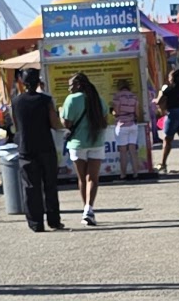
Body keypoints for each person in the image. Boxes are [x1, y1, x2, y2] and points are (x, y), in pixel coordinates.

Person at [10, 68, 65, 232]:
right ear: (38, 81)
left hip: (26, 148)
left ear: (23, 82)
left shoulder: (16, 101)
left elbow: (15, 125)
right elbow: (55, 123)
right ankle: (54, 221)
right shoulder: (46, 100)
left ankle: (35, 223)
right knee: (50, 185)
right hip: (46, 147)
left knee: (30, 187)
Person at [61, 72, 108, 225]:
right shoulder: (98, 99)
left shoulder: (71, 100)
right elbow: (105, 121)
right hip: (97, 142)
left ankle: (86, 210)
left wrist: (61, 113)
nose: (69, 89)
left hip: (77, 143)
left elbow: (66, 124)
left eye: (71, 85)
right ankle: (89, 208)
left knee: (82, 178)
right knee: (93, 178)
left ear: (79, 85)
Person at [156, 69, 179, 173]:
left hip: (172, 114)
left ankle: (163, 163)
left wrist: (160, 92)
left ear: (172, 78)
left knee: (167, 140)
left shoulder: (168, 89)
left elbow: (159, 101)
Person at [108, 78, 142, 180]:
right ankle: (136, 173)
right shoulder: (133, 96)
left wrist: (112, 111)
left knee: (123, 152)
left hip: (121, 125)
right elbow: (137, 113)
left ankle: (123, 174)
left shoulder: (117, 97)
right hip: (133, 125)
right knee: (133, 150)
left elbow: (116, 112)